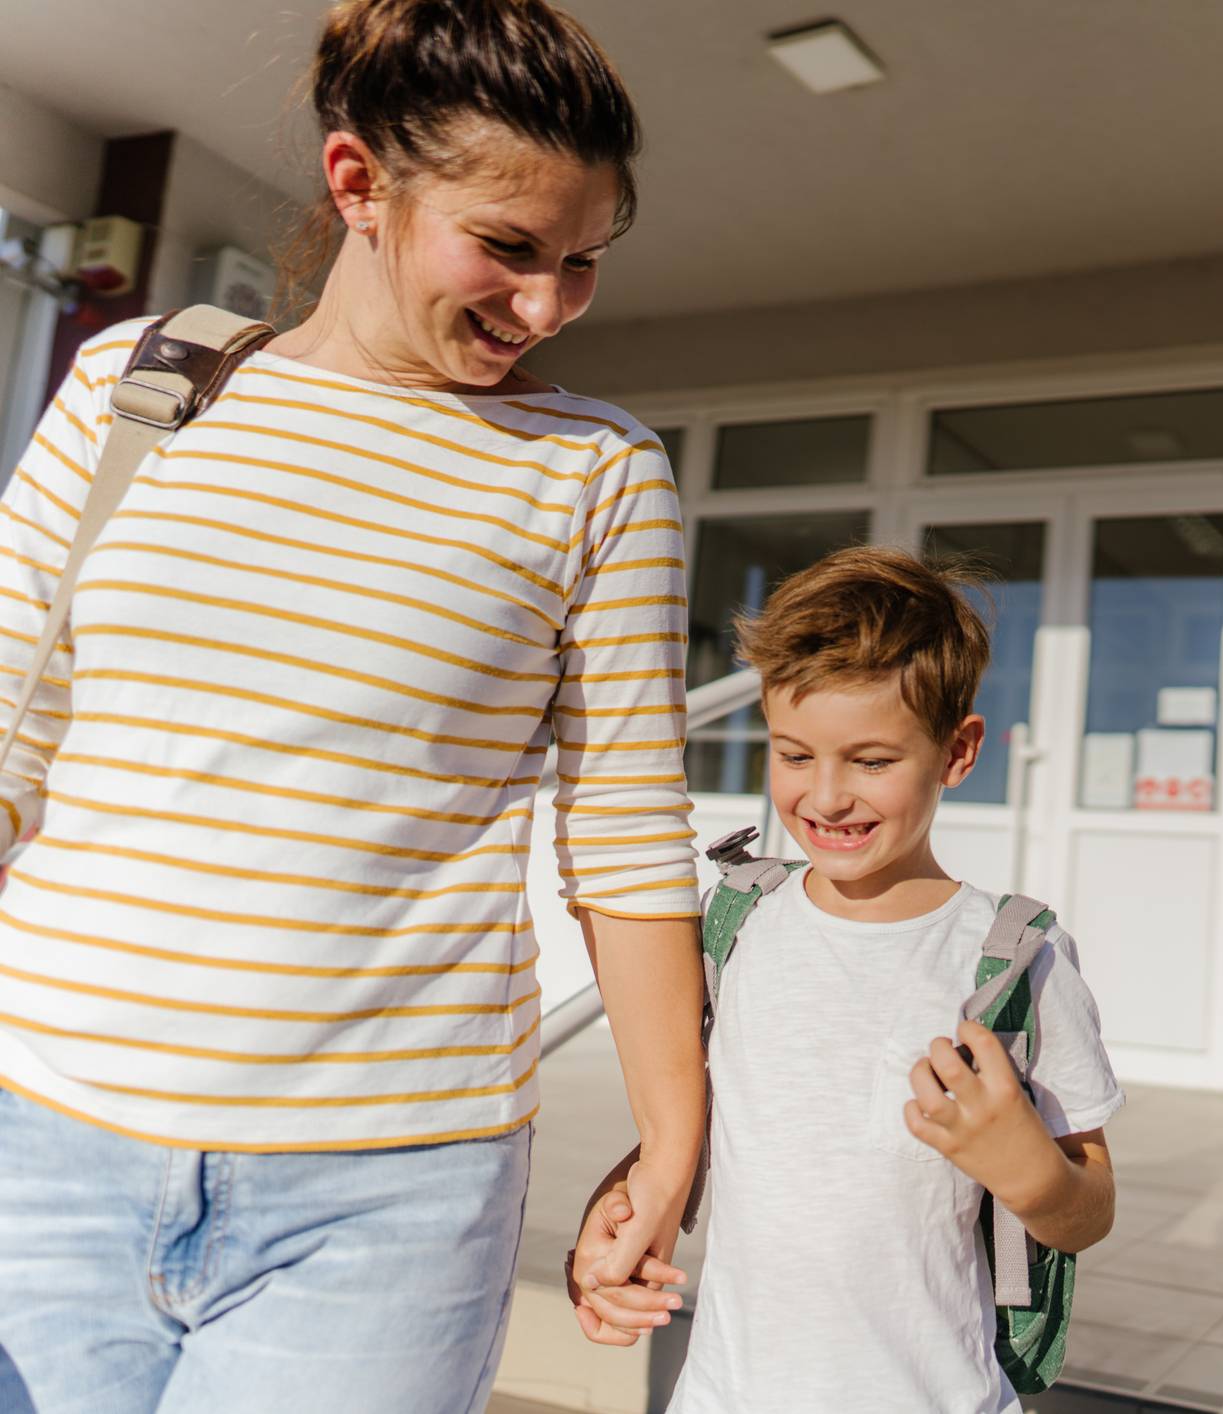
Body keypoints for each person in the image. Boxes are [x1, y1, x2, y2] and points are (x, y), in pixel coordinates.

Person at [0, 3, 706, 1410]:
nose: (548, 303)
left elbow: (624, 832)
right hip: (39, 1146)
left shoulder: (593, 473)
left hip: (387, 1191)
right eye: (508, 247)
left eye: (583, 262)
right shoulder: (140, 388)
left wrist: (672, 1135)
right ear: (359, 184)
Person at [569, 545, 1124, 1413]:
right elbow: (693, 1126)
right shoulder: (737, 924)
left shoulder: (1017, 957)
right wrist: (620, 1199)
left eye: (870, 762)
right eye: (793, 756)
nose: (824, 798)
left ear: (958, 750)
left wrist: (1029, 1172)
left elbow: (1087, 1210)